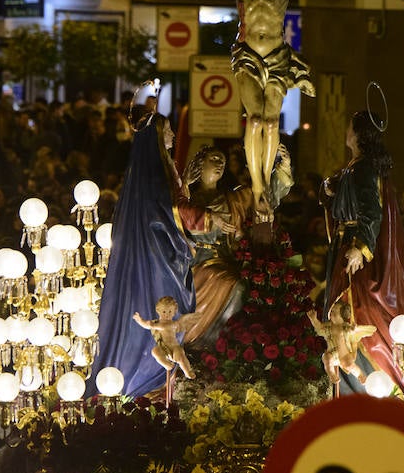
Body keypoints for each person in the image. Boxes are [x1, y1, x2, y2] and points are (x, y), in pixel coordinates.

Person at [119, 0, 404, 204]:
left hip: (275, 54)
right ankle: (257, 186)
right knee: (254, 119)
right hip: (246, 53)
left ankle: (265, 192)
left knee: (270, 122)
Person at [90, 112, 195, 397]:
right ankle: (148, 378)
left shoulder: (161, 169)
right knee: (161, 301)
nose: (173, 136)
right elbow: (164, 213)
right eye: (169, 131)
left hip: (161, 251)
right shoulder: (152, 174)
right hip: (158, 255)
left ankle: (170, 375)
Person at [320, 108, 404, 391]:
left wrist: (360, 248)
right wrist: (330, 188)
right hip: (345, 243)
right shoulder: (355, 166)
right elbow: (342, 198)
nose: (346, 132)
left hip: (354, 250)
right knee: (342, 315)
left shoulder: (364, 167)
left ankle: (364, 385)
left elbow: (372, 212)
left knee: (355, 312)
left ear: (359, 134)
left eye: (350, 127)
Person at [177, 143, 290, 346]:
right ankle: (200, 341)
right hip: (196, 262)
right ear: (199, 166)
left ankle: (220, 342)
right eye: (214, 159)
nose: (220, 163)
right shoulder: (188, 198)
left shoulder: (233, 199)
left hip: (224, 259)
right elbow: (180, 214)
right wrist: (211, 218)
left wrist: (282, 167)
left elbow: (263, 195)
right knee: (232, 283)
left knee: (238, 284)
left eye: (223, 160)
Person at [307, 301, 377, 388]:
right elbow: (319, 328)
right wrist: (313, 319)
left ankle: (360, 375)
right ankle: (331, 374)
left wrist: (354, 329)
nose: (331, 313)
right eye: (331, 311)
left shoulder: (345, 327)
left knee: (350, 365)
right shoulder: (328, 327)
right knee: (326, 357)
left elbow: (351, 332)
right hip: (332, 354)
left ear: (342, 315)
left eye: (334, 311)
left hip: (344, 354)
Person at [131, 296, 195, 380]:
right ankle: (166, 363)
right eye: (164, 312)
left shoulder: (172, 324)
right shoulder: (158, 324)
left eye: (170, 312)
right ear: (158, 311)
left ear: (174, 312)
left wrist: (147, 323)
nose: (167, 314)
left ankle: (187, 371)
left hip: (174, 347)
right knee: (155, 351)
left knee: (180, 356)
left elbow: (151, 325)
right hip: (163, 348)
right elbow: (148, 325)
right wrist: (140, 320)